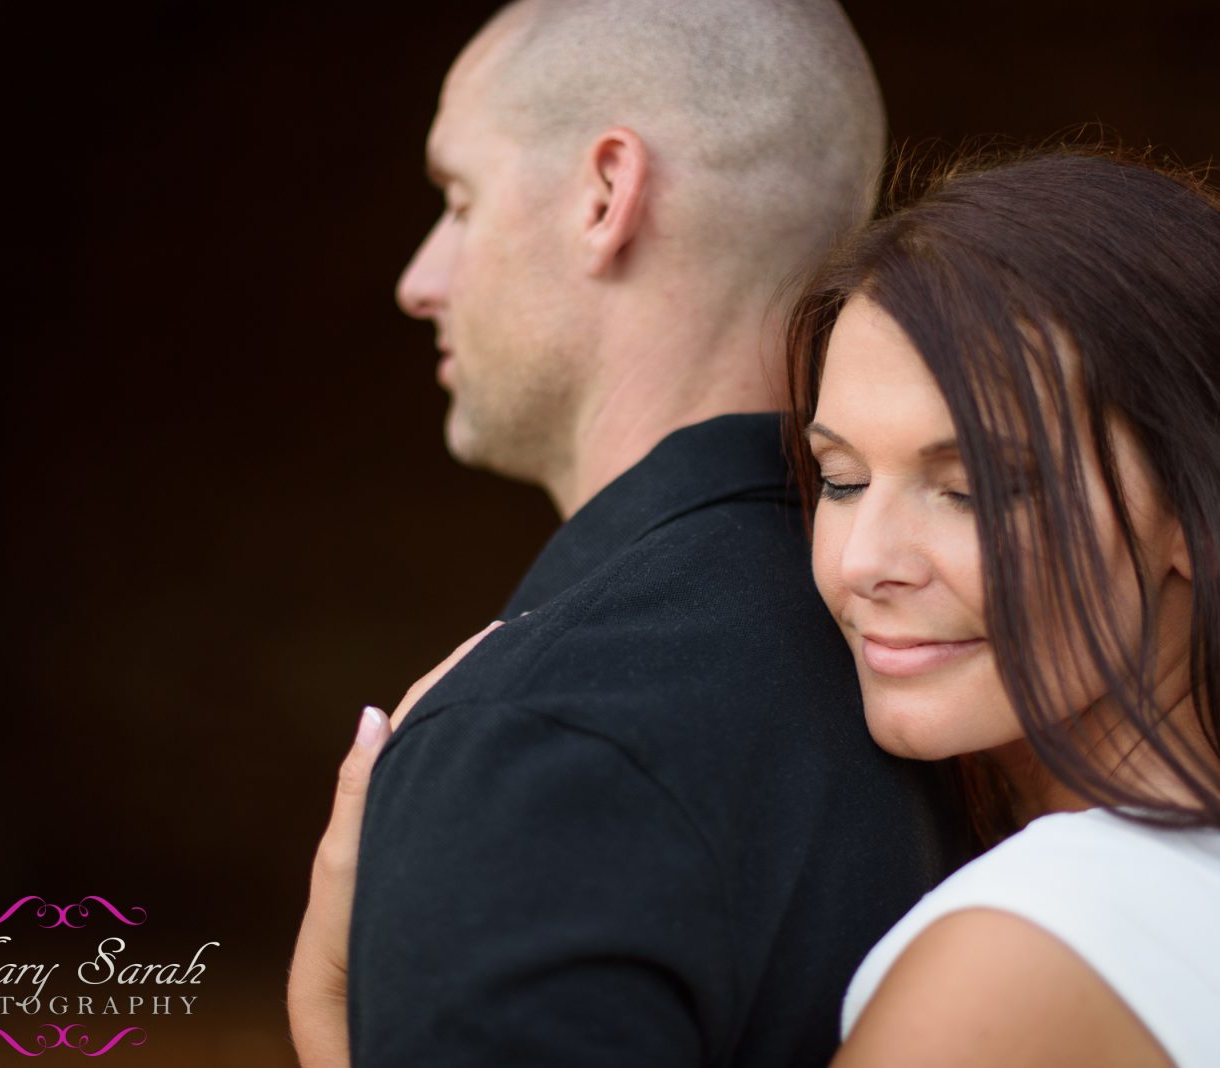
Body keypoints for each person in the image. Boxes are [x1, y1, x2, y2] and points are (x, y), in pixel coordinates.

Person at [287, 1, 970, 1065]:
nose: (419, 279)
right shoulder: (980, 684)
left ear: (607, 194)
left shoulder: (535, 745)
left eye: (458, 200)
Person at [786, 149, 1220, 1066]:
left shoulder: (1018, 960)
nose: (863, 561)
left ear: (1203, 515)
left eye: (972, 489)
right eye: (840, 480)